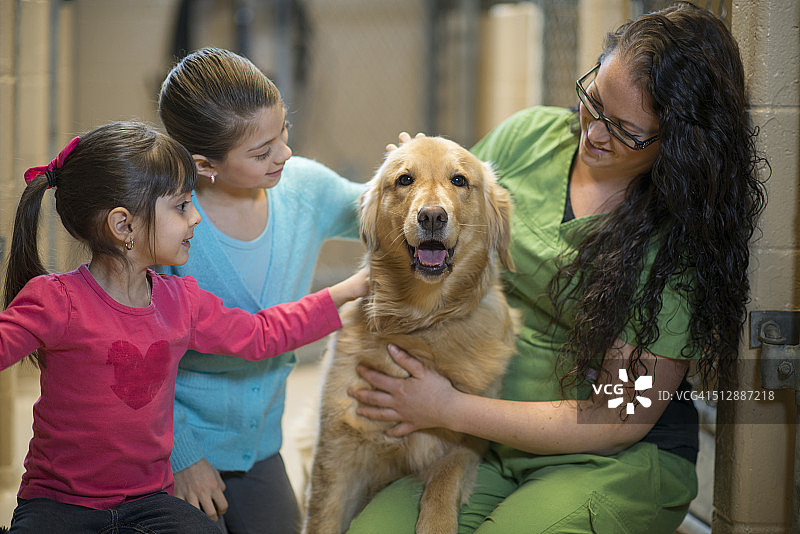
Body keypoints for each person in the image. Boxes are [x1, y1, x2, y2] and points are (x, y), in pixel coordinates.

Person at [346, 3, 767, 533]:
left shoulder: (677, 242)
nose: (594, 134)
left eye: (627, 131)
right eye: (594, 101)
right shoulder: (528, 138)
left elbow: (619, 418)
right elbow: (442, 232)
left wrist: (448, 408)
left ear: (679, 145)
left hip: (608, 459)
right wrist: (407, 185)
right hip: (483, 442)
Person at [1, 121, 369, 534]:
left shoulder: (181, 301)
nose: (195, 217)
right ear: (123, 226)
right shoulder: (55, 300)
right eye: (180, 206)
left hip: (149, 502)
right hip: (58, 504)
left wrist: (347, 291)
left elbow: (261, 333)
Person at [157, 47, 366, 533]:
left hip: (259, 448)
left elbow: (379, 208)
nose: (284, 154)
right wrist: (182, 456)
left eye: (283, 132)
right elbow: (140, 363)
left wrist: (416, 168)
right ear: (204, 163)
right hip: (172, 442)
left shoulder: (304, 188)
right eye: (261, 151)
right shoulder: (168, 227)